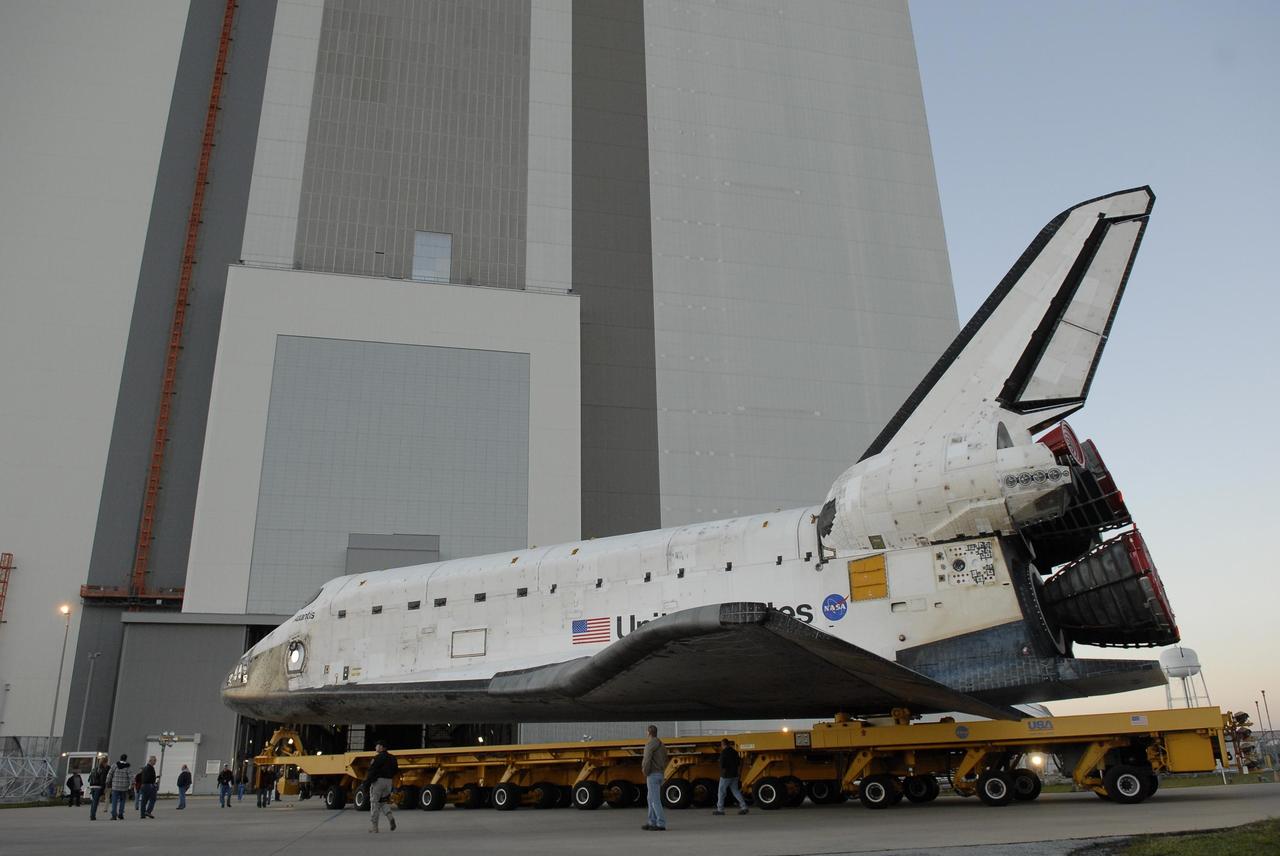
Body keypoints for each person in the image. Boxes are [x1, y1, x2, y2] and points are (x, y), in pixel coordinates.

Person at [364, 741, 398, 833]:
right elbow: (395, 770)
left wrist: (366, 784)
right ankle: (390, 818)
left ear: (382, 747)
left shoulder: (377, 758)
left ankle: (374, 827)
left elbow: (371, 771)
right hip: (389, 782)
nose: (376, 747)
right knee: (383, 802)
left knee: (374, 803)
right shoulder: (393, 758)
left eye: (377, 745)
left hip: (378, 782)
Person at [641, 724, 668, 831]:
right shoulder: (662, 745)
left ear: (648, 733)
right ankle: (652, 821)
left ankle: (661, 823)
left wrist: (645, 771)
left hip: (652, 774)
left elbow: (646, 760)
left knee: (654, 800)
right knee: (650, 798)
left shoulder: (650, 745)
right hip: (660, 773)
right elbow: (665, 758)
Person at [713, 738, 749, 815]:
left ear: (723, 744)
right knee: (736, 791)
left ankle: (720, 810)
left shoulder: (724, 752)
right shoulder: (735, 752)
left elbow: (722, 764)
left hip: (726, 776)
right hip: (734, 775)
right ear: (729, 744)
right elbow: (739, 762)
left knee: (721, 792)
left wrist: (721, 766)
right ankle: (744, 807)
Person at [109, 754, 132, 820]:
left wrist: (107, 781)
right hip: (124, 787)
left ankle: (114, 815)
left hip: (115, 786)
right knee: (122, 801)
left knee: (114, 801)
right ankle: (120, 814)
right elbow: (131, 776)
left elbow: (110, 774)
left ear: (120, 758)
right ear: (126, 759)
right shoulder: (127, 767)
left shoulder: (114, 765)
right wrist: (132, 784)